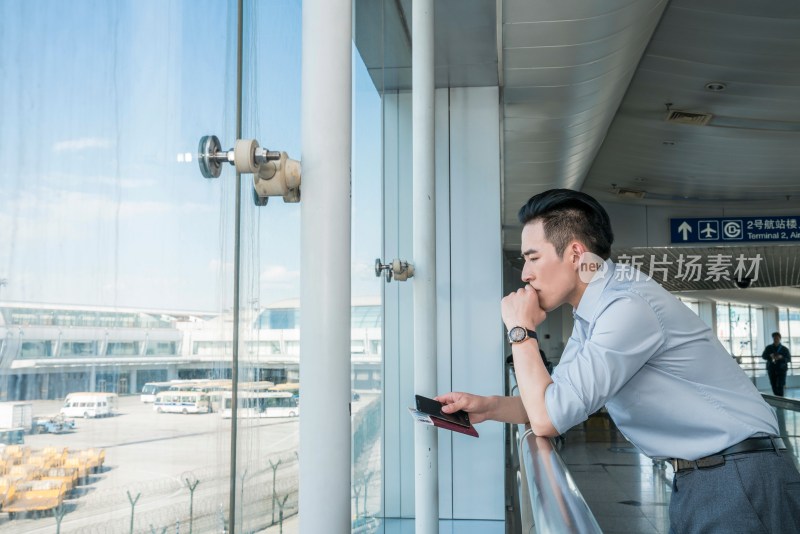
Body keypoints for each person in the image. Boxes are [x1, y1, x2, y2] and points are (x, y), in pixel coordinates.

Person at [435, 189, 800, 533]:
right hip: (706, 476)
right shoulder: (594, 311)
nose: (525, 274)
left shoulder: (627, 307)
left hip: (739, 476)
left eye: (532, 258)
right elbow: (553, 401)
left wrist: (520, 330)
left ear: (576, 254)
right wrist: (488, 407)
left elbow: (547, 421)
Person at [762, 331, 791, 396]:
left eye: (777, 338)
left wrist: (781, 357)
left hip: (781, 369)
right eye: (774, 338)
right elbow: (763, 356)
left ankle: (780, 399)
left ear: (780, 338)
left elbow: (789, 359)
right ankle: (777, 398)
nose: (776, 339)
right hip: (771, 369)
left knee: (781, 385)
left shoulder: (784, 349)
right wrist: (770, 356)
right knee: (773, 384)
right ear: (773, 338)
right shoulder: (769, 348)